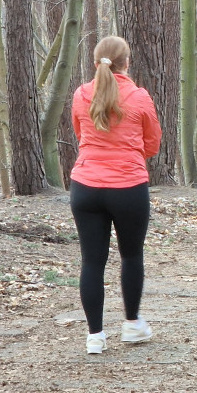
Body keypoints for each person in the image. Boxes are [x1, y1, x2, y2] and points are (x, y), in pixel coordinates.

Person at [70, 36, 162, 355]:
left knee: (92, 262)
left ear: (96, 64)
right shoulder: (138, 97)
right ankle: (132, 324)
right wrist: (129, 155)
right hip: (128, 186)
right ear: (128, 62)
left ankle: (95, 336)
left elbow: (81, 134)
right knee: (131, 255)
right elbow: (152, 144)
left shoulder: (81, 94)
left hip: (85, 186)